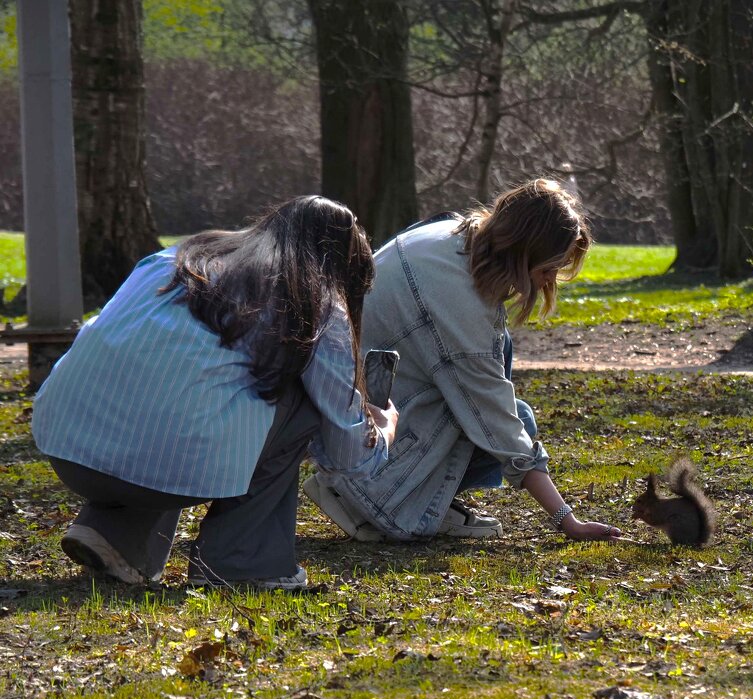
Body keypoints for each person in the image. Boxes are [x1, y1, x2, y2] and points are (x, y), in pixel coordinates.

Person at [32, 196, 397, 589]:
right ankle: (243, 563)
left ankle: (113, 534)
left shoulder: (175, 258)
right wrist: (383, 425)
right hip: (160, 470)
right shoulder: (315, 299)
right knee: (299, 399)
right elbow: (349, 457)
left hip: (67, 446)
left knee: (184, 387)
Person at [304, 178, 619, 543]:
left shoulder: (444, 235)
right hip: (364, 455)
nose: (548, 284)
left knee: (501, 357)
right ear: (522, 254)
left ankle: (411, 496)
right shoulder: (461, 303)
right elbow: (497, 421)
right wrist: (568, 519)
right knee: (519, 419)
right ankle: (377, 501)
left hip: (347, 421)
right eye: (547, 270)